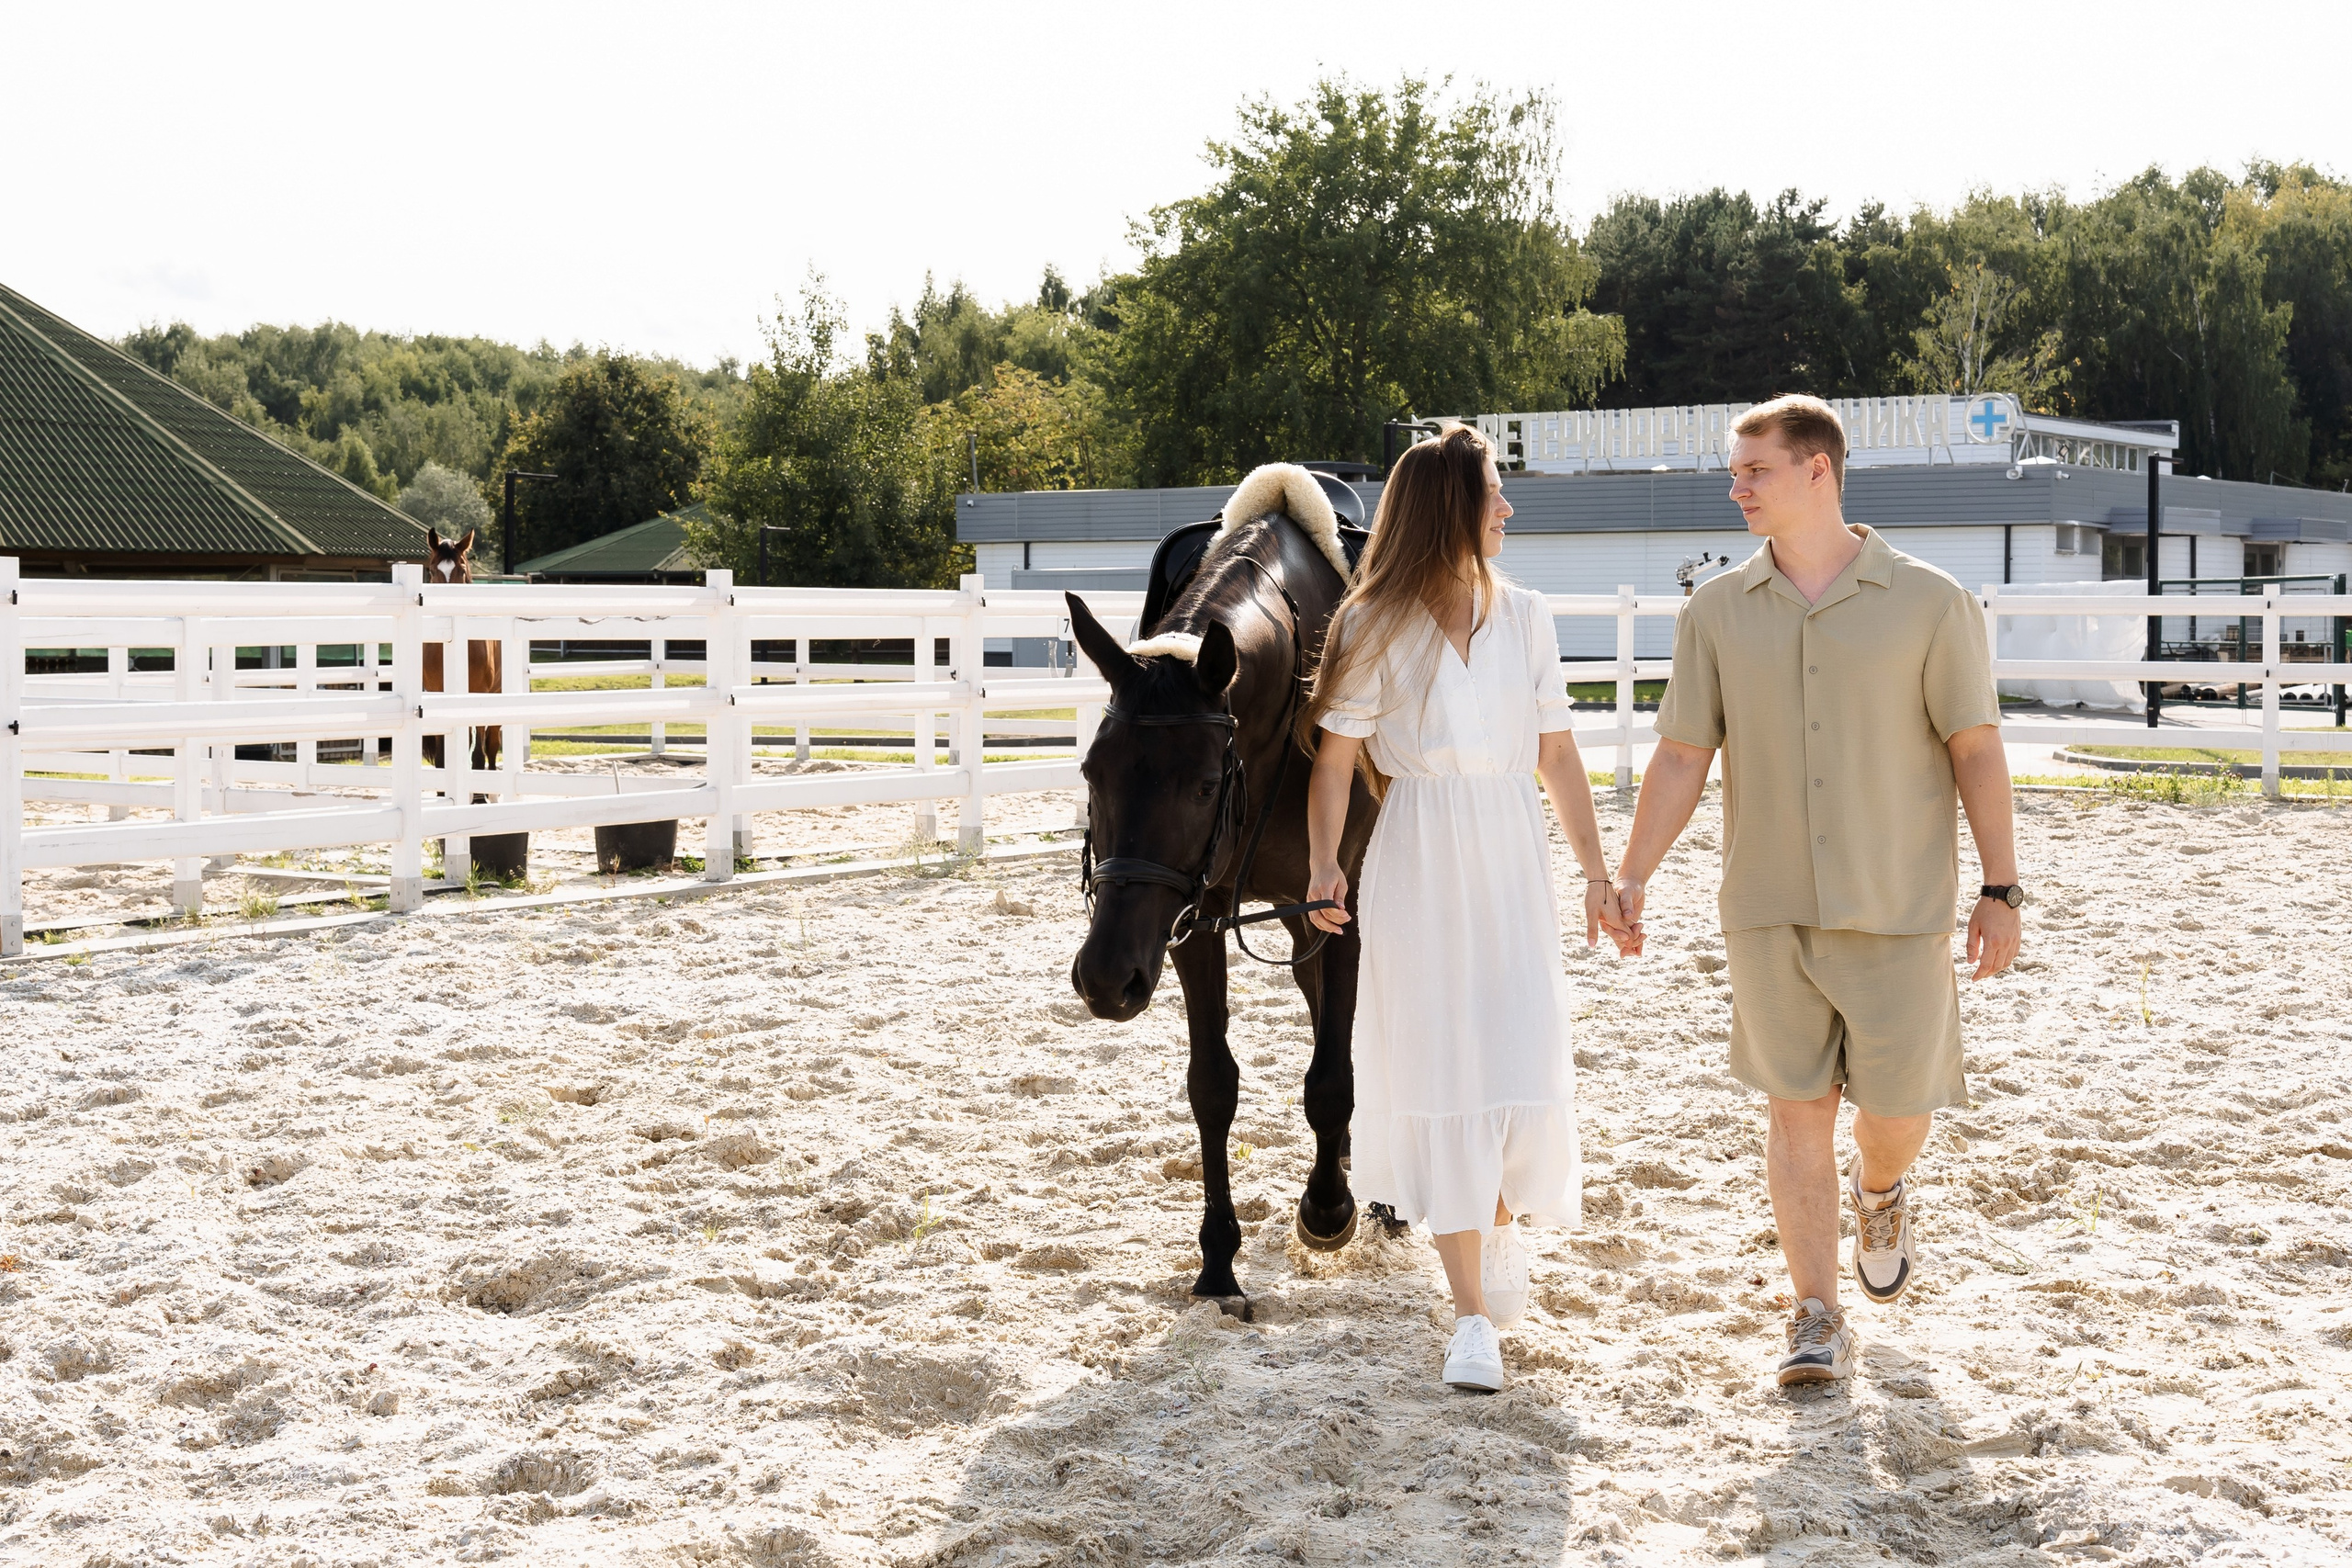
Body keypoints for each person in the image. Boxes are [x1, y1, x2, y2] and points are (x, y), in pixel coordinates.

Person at [1603, 394, 2022, 1387]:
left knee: (1897, 1109)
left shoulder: (1929, 601)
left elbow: (1976, 748)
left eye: (1755, 469)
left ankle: (1881, 1186)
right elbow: (1678, 757)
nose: (1736, 485)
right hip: (1767, 906)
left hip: (1897, 903)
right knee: (1795, 1112)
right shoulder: (1713, 611)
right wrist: (1629, 875)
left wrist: (2001, 888)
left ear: (1818, 471)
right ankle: (1814, 1314)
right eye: (1734, 470)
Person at [1301, 424, 1623, 1394]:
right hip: (1419, 858)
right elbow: (1331, 764)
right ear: (1453, 506)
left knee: (1514, 1049)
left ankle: (1494, 1222)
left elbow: (1556, 755)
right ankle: (1470, 1318)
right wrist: (1323, 868)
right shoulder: (1370, 626)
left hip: (1509, 851)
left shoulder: (1526, 615)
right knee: (1442, 1063)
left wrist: (1596, 875)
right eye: (1495, 494)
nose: (1508, 510)